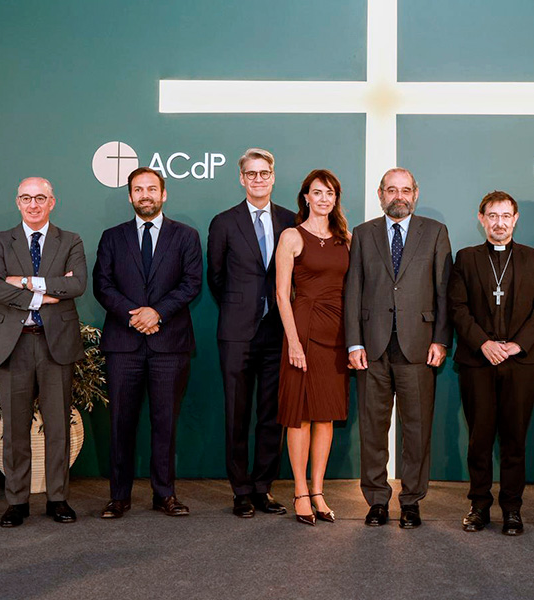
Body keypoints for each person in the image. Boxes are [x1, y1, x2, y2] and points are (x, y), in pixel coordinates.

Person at [344, 167, 453, 529]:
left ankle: (411, 501)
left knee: (417, 431)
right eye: (392, 190)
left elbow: (444, 291)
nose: (399, 196)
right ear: (381, 194)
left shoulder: (435, 232)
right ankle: (376, 500)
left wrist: (440, 339)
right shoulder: (363, 234)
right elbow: (353, 289)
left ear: (415, 194)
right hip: (372, 348)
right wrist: (354, 341)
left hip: (418, 347)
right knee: (373, 430)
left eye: (405, 190)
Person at [93, 167, 203, 519]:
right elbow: (102, 285)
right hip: (123, 345)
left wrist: (157, 312)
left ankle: (164, 494)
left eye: (151, 189)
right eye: (138, 189)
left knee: (165, 422)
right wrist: (134, 315)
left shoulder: (185, 236)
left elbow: (191, 283)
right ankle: (118, 497)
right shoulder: (112, 237)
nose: (145, 195)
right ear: (130, 196)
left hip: (170, 344)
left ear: (163, 194)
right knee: (120, 423)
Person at [0, 177, 86, 527]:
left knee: (58, 426)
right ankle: (17, 501)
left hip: (55, 341)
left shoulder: (70, 240)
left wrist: (23, 281)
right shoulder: (0, 240)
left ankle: (58, 498)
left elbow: (76, 284)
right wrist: (43, 295)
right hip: (14, 343)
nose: (33, 204)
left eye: (40, 198)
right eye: (26, 198)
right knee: (15, 427)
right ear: (18, 202)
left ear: (52, 202)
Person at [448, 191, 534, 536]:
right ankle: (479, 506)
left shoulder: (533, 259)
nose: (499, 223)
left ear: (515, 219)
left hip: (519, 362)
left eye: (506, 216)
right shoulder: (466, 258)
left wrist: (517, 345)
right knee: (479, 439)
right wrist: (484, 343)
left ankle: (512, 509)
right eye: (492, 216)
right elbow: (458, 308)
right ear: (481, 219)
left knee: (514, 440)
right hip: (478, 361)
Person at [207, 148, 295, 518]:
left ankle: (263, 487)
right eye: (251, 174)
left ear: (273, 177)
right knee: (237, 413)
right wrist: (240, 308)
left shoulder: (292, 220)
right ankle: (241, 490)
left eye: (264, 173)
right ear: (241, 179)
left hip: (278, 332)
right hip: (237, 332)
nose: (258, 179)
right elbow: (216, 277)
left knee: (272, 414)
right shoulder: (224, 222)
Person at [275, 169, 350, 526]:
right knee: (301, 415)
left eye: (330, 193)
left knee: (326, 415)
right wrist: (293, 342)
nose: (323, 199)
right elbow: (281, 294)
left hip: (336, 335)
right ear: (306, 197)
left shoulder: (346, 239)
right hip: (302, 331)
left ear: (336, 199)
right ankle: (300, 491)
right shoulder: (292, 236)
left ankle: (318, 491)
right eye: (317, 192)